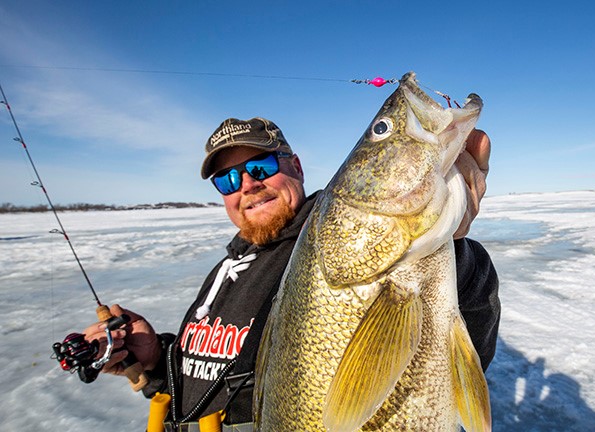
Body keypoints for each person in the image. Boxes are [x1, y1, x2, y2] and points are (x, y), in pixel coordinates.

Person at [83, 117, 500, 431]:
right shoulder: (230, 264)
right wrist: (156, 357)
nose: (246, 184)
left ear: (295, 165)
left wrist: (450, 249)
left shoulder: (329, 245)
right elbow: (216, 374)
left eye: (260, 167)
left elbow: (457, 333)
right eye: (227, 180)